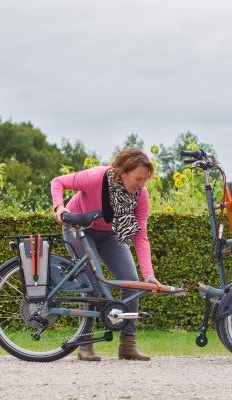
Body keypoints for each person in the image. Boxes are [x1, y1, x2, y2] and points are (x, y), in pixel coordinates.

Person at [51, 147, 160, 361]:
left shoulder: (140, 196)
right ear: (122, 172)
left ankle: (128, 345)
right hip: (79, 229)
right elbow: (58, 181)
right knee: (92, 284)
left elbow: (141, 235)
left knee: (132, 283)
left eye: (145, 180)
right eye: (138, 178)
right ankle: (85, 344)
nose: (141, 185)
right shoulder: (95, 178)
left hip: (110, 233)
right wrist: (59, 208)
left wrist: (149, 275)